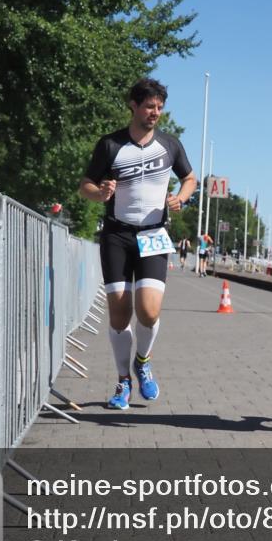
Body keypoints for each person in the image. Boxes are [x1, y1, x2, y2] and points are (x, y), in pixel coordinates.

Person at [79, 78, 197, 410]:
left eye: (159, 107)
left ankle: (142, 361)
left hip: (153, 233)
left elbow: (190, 178)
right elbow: (85, 185)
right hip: (117, 235)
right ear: (133, 105)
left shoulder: (170, 145)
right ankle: (123, 382)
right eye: (149, 106)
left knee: (149, 310)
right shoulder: (111, 145)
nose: (155, 113)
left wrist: (181, 197)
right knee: (120, 314)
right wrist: (100, 193)